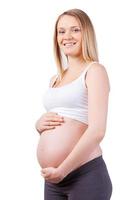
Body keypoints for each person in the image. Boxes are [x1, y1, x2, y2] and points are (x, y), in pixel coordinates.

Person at [35, 8, 112, 200]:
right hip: (54, 180)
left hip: (85, 176)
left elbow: (97, 131)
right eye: (61, 31)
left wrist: (63, 170)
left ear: (86, 33)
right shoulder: (56, 79)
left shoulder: (95, 71)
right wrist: (39, 126)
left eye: (75, 30)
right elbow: (65, 119)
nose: (67, 36)